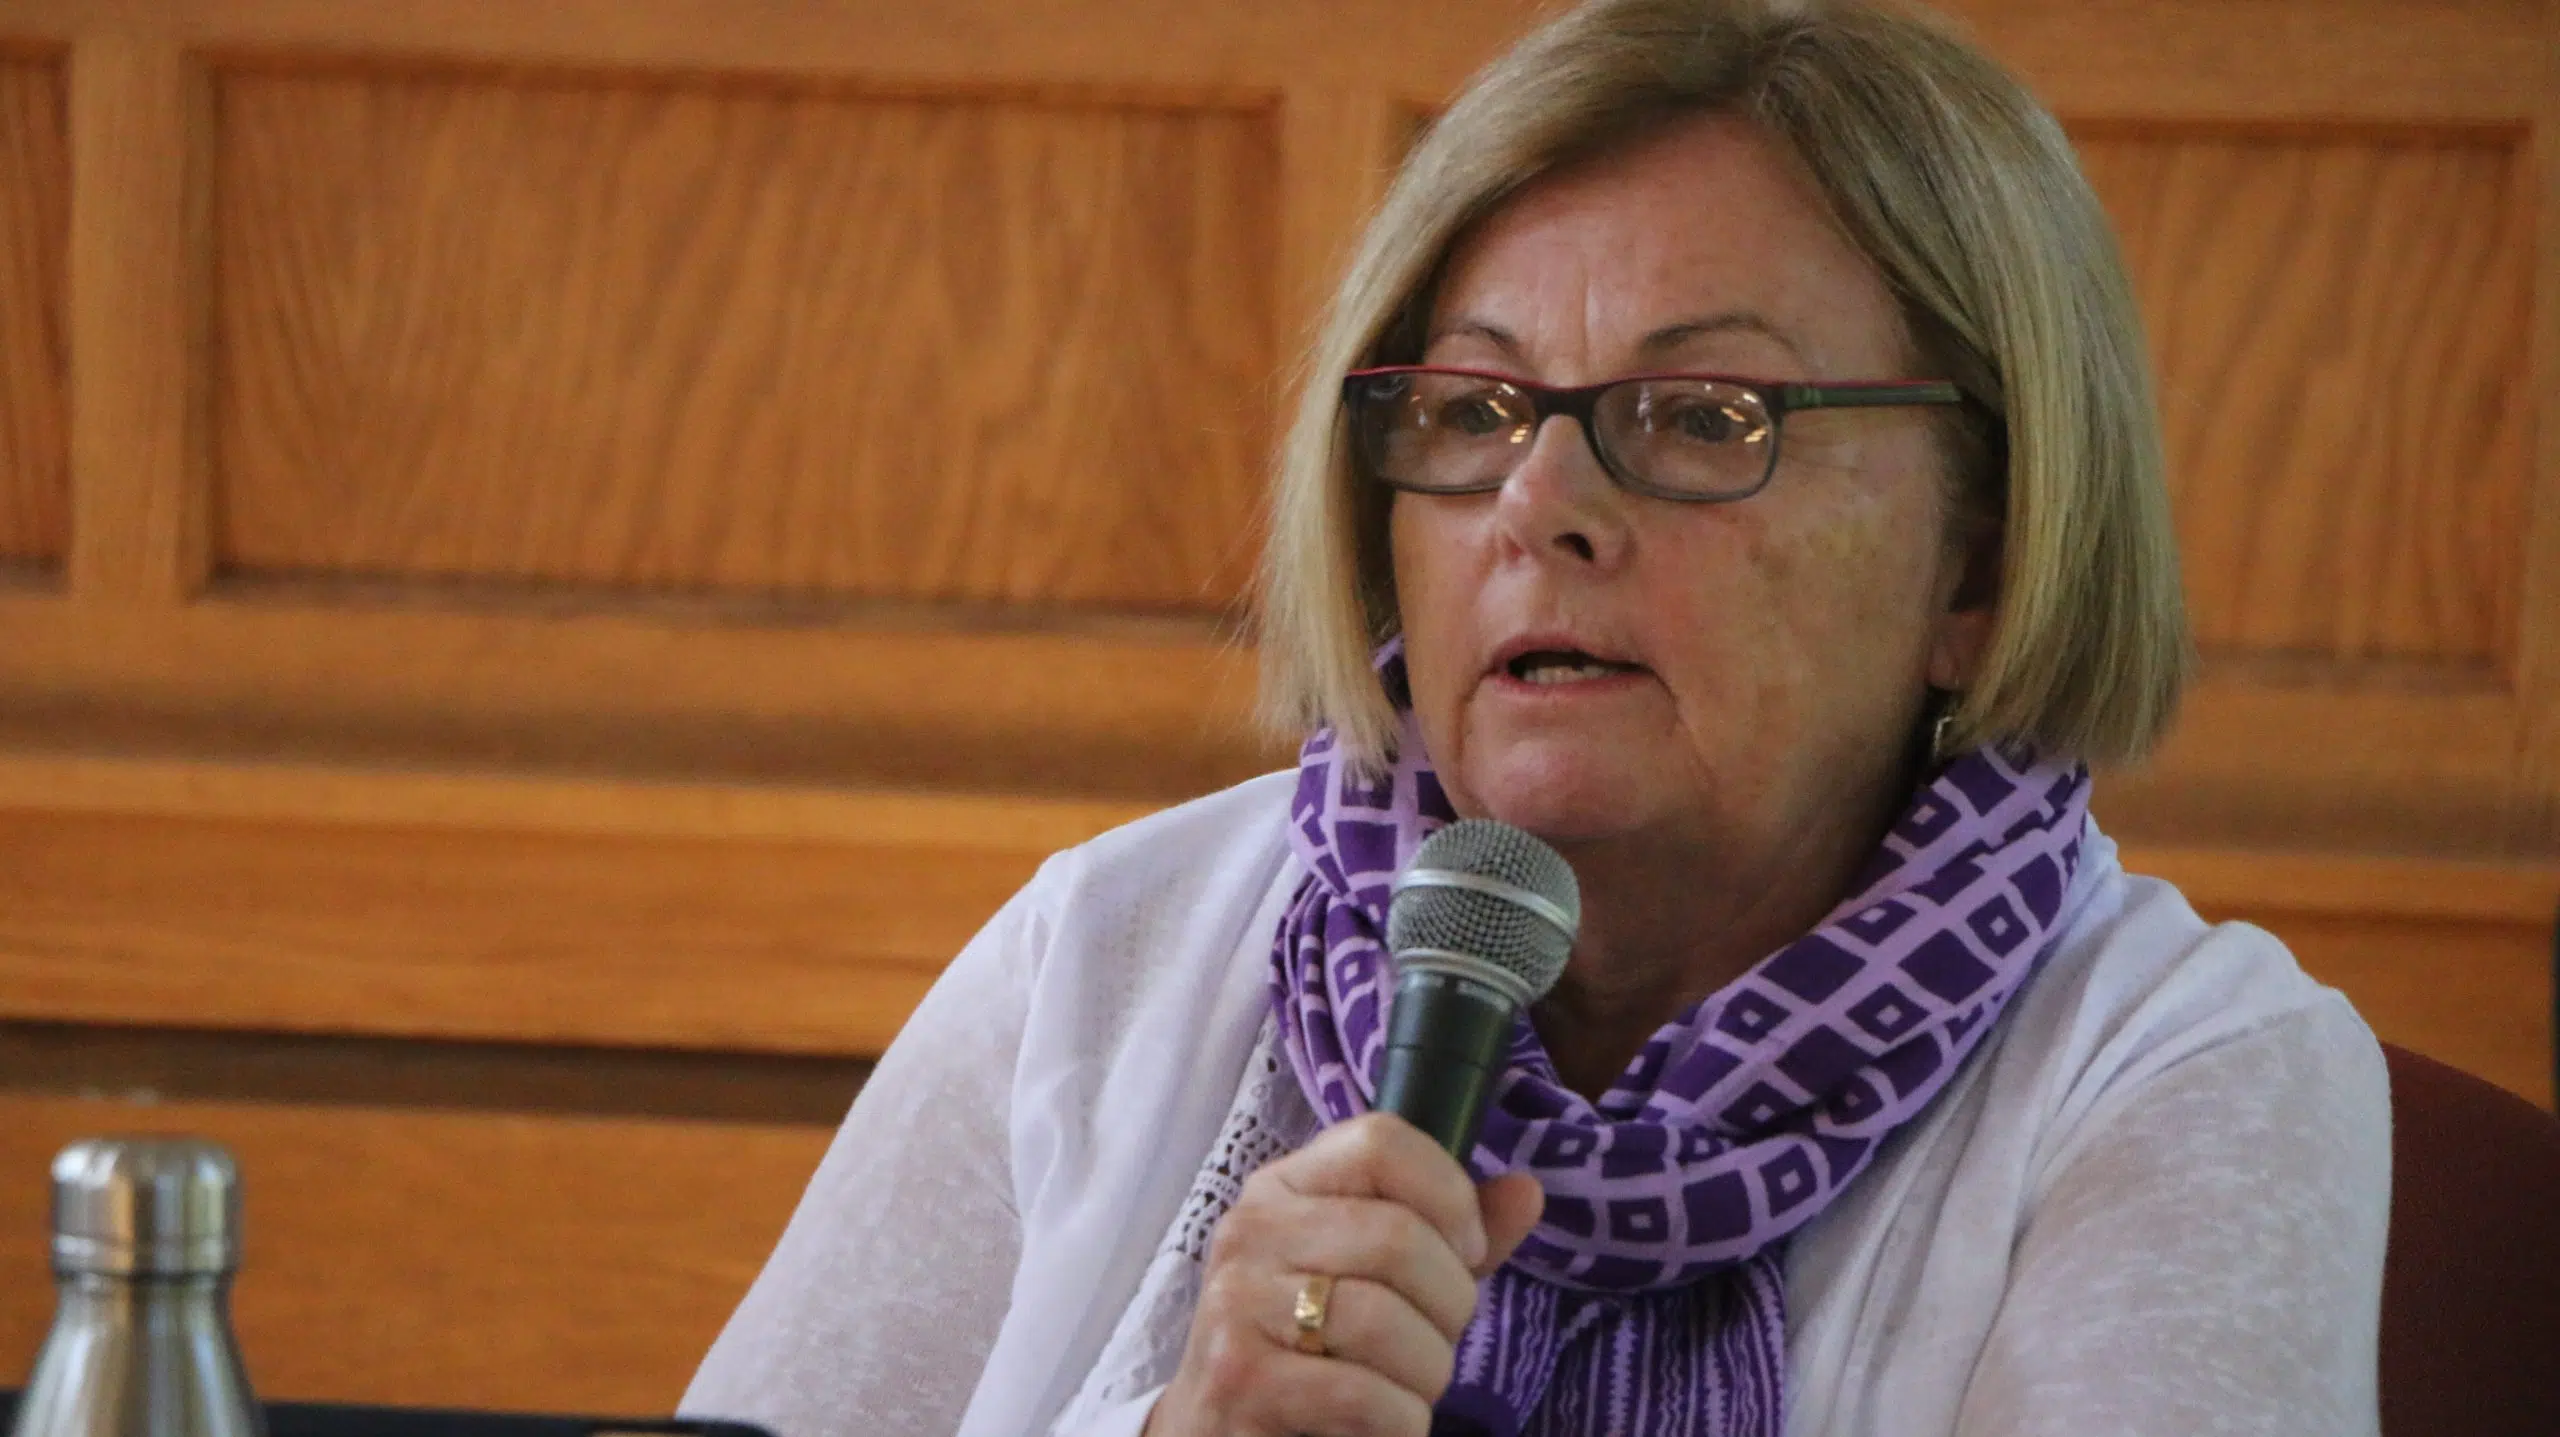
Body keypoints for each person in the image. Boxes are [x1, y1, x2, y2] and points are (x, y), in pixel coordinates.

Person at [680, 0, 2391, 1431]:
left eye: (1705, 416)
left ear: (1983, 567)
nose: (1539, 503)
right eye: (1476, 408)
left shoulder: (2186, 1073)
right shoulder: (1100, 967)